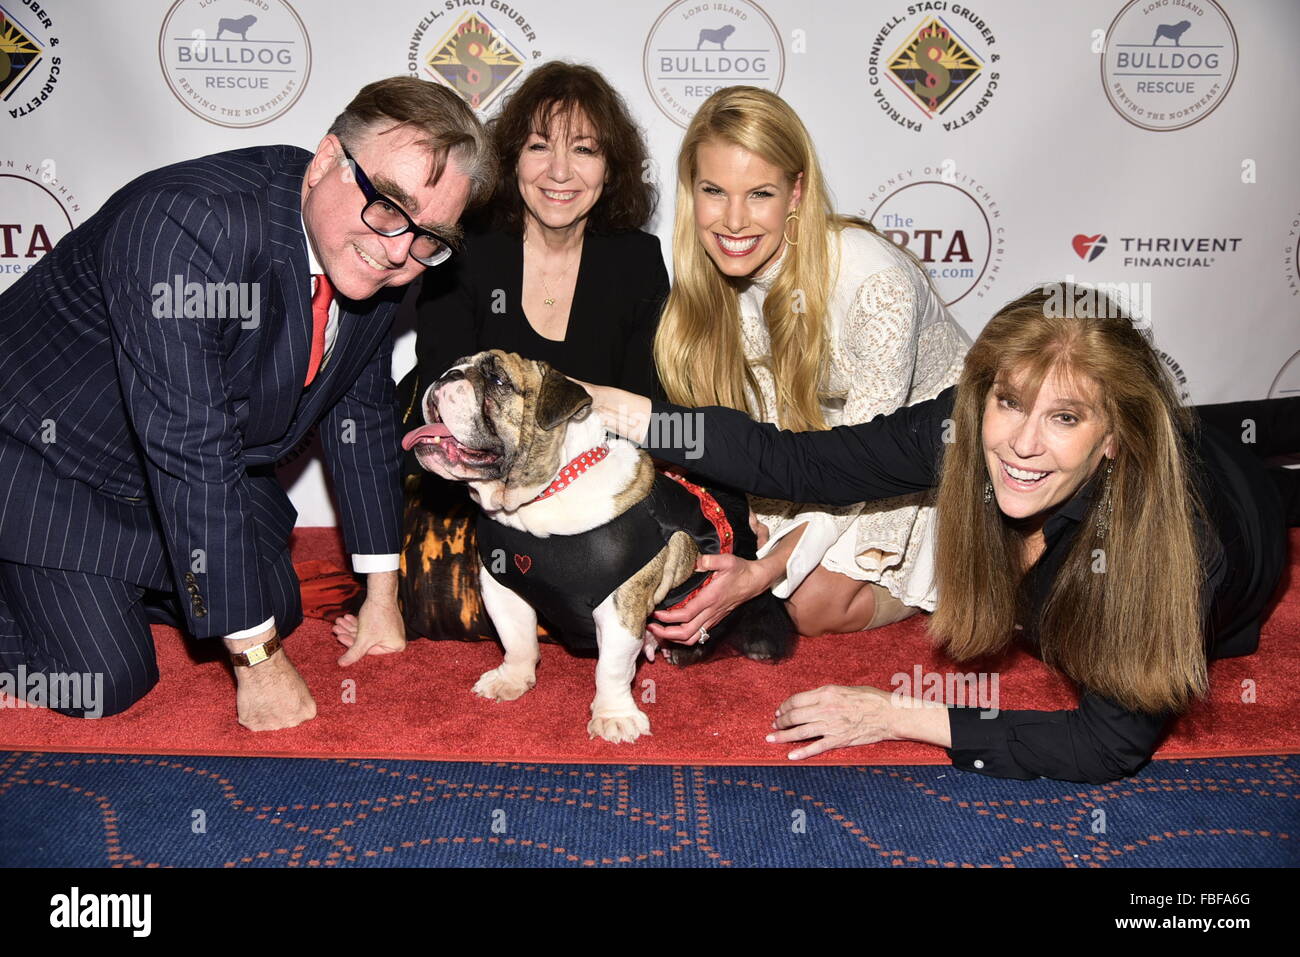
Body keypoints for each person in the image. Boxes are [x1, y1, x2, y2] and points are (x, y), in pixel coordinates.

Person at [580, 284, 1300, 783]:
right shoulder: (966, 427)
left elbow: (1104, 744)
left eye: (1067, 418)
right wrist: (627, 412)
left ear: (1113, 437)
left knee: (1248, 463)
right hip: (1175, 440)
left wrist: (890, 712)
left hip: (1242, 510)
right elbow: (799, 460)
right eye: (1010, 401)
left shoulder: (1166, 548)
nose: (1020, 443)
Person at [0, 77, 495, 730]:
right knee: (105, 675)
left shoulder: (372, 251)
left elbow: (361, 415)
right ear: (324, 162)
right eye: (389, 207)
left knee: (275, 603)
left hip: (168, 468)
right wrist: (257, 660)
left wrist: (383, 593)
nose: (399, 250)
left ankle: (108, 583)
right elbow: (190, 449)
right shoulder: (186, 226)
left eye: (430, 236)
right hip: (47, 458)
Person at [647, 86, 969, 653]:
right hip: (819, 462)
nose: (734, 220)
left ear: (796, 192)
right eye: (713, 191)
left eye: (760, 193)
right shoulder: (714, 288)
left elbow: (870, 458)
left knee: (811, 603)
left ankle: (986, 576)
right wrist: (760, 532)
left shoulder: (873, 284)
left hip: (933, 464)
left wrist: (767, 569)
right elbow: (773, 439)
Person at [388, 61, 668, 643]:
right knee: (454, 613)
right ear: (512, 158)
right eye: (539, 146)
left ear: (609, 167)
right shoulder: (468, 250)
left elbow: (646, 408)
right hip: (467, 481)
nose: (560, 171)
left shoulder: (636, 260)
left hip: (586, 485)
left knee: (615, 600)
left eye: (585, 149)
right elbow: (444, 388)